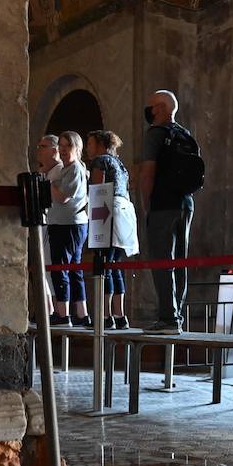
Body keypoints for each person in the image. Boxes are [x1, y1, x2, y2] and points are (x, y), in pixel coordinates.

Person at [138, 90, 196, 334]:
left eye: (151, 106)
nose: (149, 111)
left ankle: (167, 319)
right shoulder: (185, 134)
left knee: (162, 260)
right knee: (180, 260)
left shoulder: (155, 134)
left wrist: (146, 204)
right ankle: (176, 316)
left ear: (161, 108)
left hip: (163, 204)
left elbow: (148, 171)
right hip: (186, 203)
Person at [85, 130, 137, 329]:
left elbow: (97, 189)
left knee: (104, 263)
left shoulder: (100, 161)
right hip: (124, 213)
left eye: (90, 144)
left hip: (107, 210)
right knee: (116, 264)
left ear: (100, 144)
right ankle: (120, 315)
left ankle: (105, 316)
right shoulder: (120, 164)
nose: (88, 149)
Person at [44, 131, 91, 328]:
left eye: (67, 146)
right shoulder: (69, 169)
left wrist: (48, 183)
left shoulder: (73, 170)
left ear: (77, 148)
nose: (63, 150)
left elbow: (62, 196)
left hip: (67, 225)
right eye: (61, 146)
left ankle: (63, 314)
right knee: (73, 269)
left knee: (61, 268)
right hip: (70, 224)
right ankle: (81, 313)